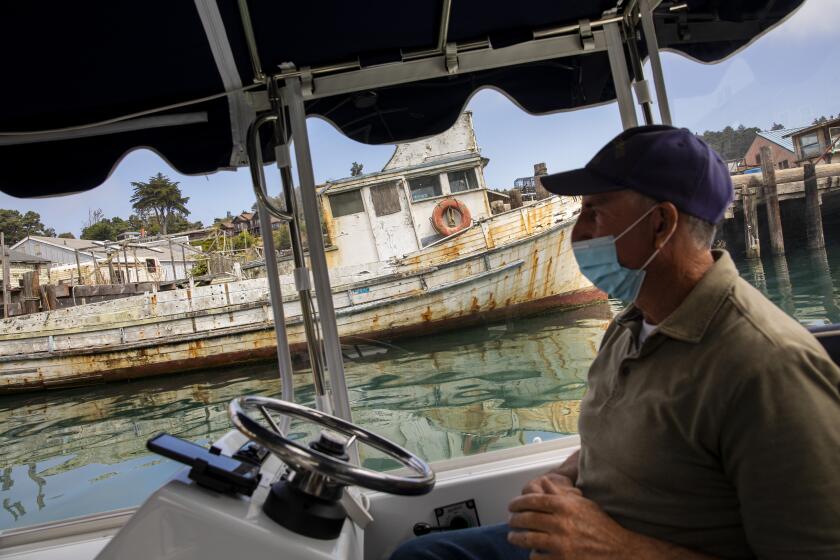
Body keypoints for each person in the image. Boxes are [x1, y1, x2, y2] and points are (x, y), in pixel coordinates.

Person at [390, 125, 840, 559]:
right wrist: (565, 478)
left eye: (595, 213)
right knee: (421, 555)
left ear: (661, 223)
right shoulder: (633, 324)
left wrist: (614, 549)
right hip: (583, 533)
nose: (577, 233)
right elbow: (631, 445)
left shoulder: (767, 366)